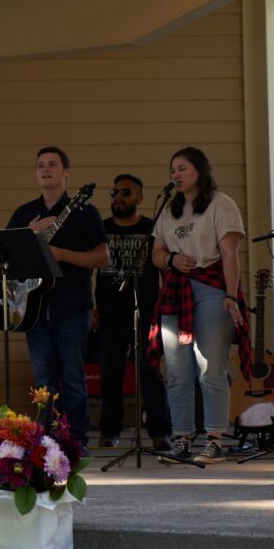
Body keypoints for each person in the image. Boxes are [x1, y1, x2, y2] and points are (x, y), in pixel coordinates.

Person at [149, 146, 249, 464]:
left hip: (211, 289)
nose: (176, 174)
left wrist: (231, 296)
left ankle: (215, 439)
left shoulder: (222, 205)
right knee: (177, 370)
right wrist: (170, 259)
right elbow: (156, 254)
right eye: (173, 169)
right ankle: (181, 439)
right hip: (176, 293)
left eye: (182, 168)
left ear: (200, 171)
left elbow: (230, 254)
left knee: (210, 367)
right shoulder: (168, 209)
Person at [7, 147, 108, 450]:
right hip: (34, 311)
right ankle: (46, 440)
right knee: (43, 382)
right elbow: (7, 256)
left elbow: (102, 257)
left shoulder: (84, 212)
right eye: (40, 165)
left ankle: (77, 440)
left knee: (73, 379)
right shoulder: (26, 213)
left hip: (72, 307)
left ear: (66, 172)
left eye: (52, 164)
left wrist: (61, 254)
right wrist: (29, 233)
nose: (46, 169)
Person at [93, 175, 171, 450]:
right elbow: (91, 269)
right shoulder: (101, 229)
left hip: (146, 312)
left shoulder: (153, 229)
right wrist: (93, 307)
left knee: (149, 373)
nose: (118, 197)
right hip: (109, 314)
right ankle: (110, 431)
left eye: (125, 193)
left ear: (140, 198)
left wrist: (164, 309)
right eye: (114, 192)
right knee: (110, 374)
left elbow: (164, 271)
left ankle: (160, 431)